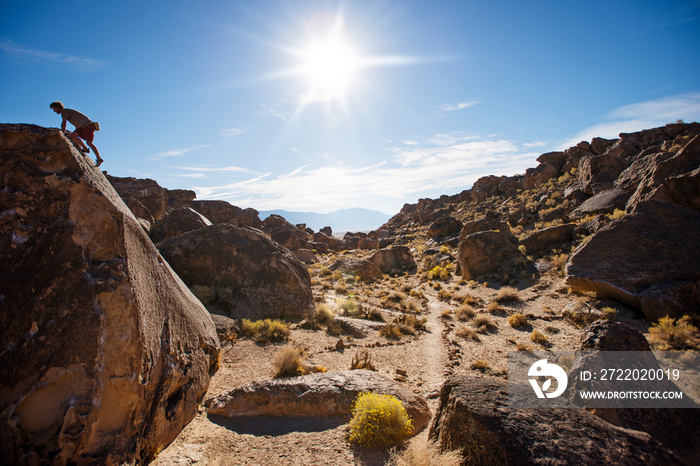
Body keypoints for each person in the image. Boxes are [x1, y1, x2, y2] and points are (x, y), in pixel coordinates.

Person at [50, 101, 103, 167]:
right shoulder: (67, 111)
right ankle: (85, 148)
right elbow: (76, 122)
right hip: (82, 127)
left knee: (89, 142)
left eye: (53, 109)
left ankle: (99, 159)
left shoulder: (64, 111)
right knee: (72, 135)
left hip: (88, 125)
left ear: (57, 107)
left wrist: (62, 133)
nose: (54, 111)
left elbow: (64, 123)